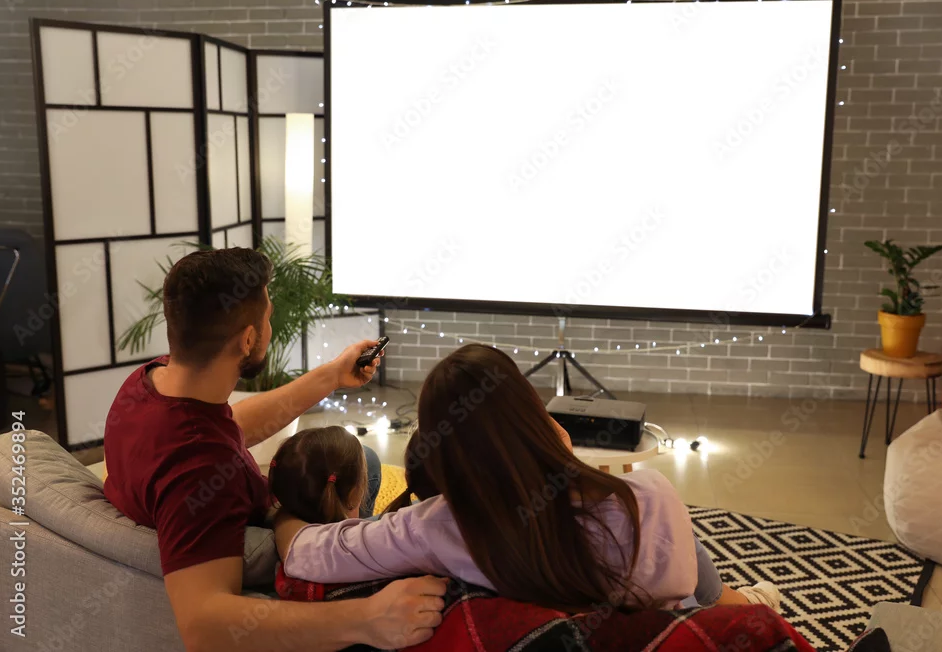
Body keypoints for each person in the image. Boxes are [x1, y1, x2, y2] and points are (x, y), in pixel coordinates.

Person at [102, 248, 446, 652]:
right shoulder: (200, 473)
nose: (270, 326)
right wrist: (368, 618)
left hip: (255, 506)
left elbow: (229, 425)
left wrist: (331, 375)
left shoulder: (150, 383)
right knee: (385, 493)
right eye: (267, 317)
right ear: (248, 339)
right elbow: (202, 626)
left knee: (365, 460)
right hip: (288, 546)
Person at [274, 344, 780, 612]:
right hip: (665, 614)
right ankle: (751, 605)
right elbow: (680, 591)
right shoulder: (646, 497)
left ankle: (747, 602)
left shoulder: (431, 526)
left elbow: (304, 554)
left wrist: (278, 514)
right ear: (531, 416)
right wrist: (560, 459)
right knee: (701, 571)